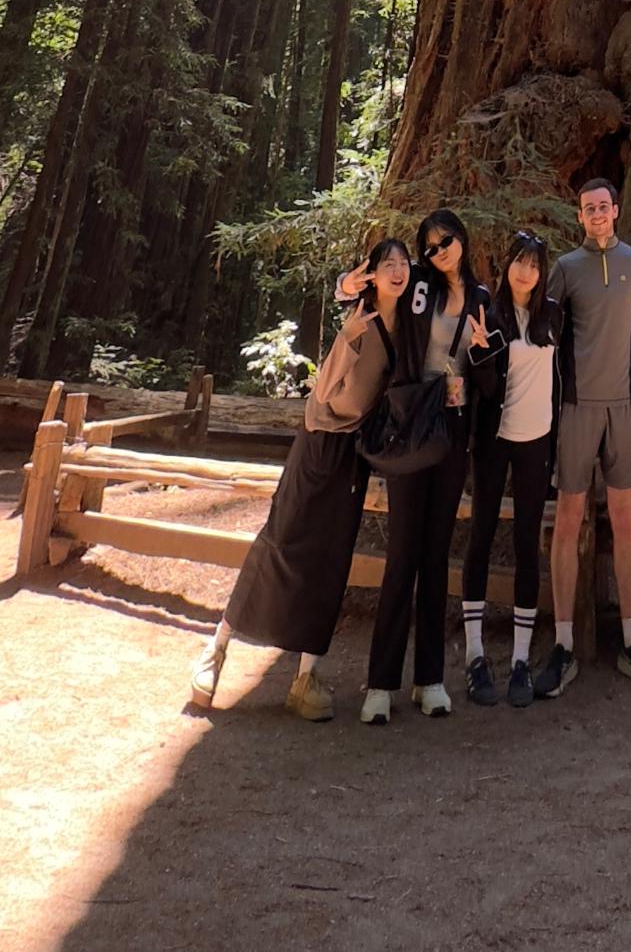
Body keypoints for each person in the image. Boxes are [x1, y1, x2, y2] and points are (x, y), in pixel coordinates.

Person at [187, 235, 411, 719]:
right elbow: (325, 390)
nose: (397, 270)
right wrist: (346, 313)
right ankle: (217, 647)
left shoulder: (409, 323)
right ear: (372, 273)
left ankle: (306, 677)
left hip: (356, 453)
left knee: (332, 559)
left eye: (403, 263)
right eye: (386, 263)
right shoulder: (362, 319)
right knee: (282, 541)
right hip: (320, 440)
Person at [356, 207, 505, 725]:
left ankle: (430, 679)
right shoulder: (419, 285)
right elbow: (380, 293)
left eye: (446, 242)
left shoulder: (484, 300)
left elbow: (491, 384)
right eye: (431, 247)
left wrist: (484, 356)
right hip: (409, 427)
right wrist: (354, 281)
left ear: (462, 239)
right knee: (402, 553)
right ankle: (379, 684)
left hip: (451, 434)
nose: (439, 252)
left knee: (437, 554)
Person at [533, 176, 631, 695]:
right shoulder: (566, 269)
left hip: (624, 407)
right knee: (567, 518)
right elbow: (543, 327)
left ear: (616, 210)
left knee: (625, 519)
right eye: (588, 208)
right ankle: (563, 643)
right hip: (575, 408)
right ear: (580, 216)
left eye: (603, 206)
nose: (597, 214)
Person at [460, 226, 560, 710]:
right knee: (480, 536)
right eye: (519, 261)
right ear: (506, 265)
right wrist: (481, 354)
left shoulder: (553, 317)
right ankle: (476, 655)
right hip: (495, 442)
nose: (525, 271)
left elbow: (565, 381)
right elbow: (484, 387)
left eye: (534, 264)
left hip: (536, 444)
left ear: (542, 273)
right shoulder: (490, 312)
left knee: (525, 542)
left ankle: (521, 658)